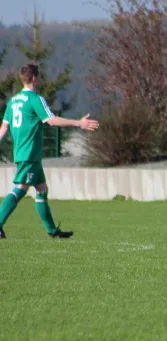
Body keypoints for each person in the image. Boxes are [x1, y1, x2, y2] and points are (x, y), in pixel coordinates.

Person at [0, 63, 99, 239]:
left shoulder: (13, 101)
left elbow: (4, 128)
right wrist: (79, 123)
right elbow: (51, 121)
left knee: (41, 189)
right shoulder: (35, 99)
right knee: (21, 188)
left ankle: (52, 231)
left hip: (26, 154)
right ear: (34, 78)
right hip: (29, 153)